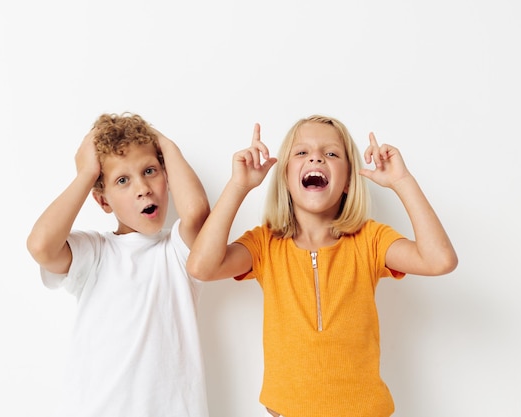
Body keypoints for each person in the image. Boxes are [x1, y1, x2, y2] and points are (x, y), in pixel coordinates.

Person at [187, 115, 458, 417]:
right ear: (286, 178)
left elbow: (439, 260)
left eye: (331, 153)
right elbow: (201, 267)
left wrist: (402, 182)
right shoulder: (265, 244)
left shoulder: (370, 240)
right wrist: (239, 186)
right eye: (301, 152)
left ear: (347, 182)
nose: (316, 156)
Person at [27, 112, 211, 417]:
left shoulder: (178, 249)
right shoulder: (95, 252)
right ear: (103, 201)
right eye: (123, 180)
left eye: (150, 170)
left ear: (167, 176)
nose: (143, 188)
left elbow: (197, 213)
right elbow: (41, 245)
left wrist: (165, 144)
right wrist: (86, 174)